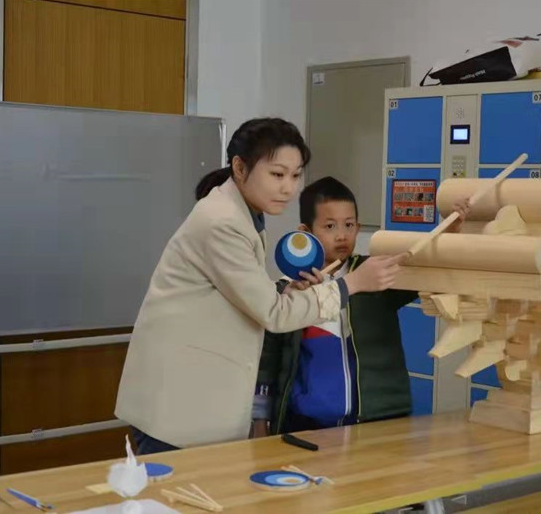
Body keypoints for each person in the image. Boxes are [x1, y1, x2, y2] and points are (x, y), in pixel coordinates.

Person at [115, 118, 403, 454]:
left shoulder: (242, 216)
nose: (288, 188)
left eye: (295, 176)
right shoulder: (221, 222)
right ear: (240, 168)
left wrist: (290, 292)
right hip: (180, 405)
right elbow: (273, 314)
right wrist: (349, 285)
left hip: (198, 399)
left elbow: (242, 296)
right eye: (277, 174)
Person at [252, 177, 470, 436]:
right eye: (330, 226)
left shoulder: (374, 272)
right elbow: (267, 363)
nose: (342, 235)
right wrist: (260, 420)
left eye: (349, 225)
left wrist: (450, 231)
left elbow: (424, 267)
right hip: (305, 426)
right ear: (305, 231)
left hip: (378, 421)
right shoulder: (287, 291)